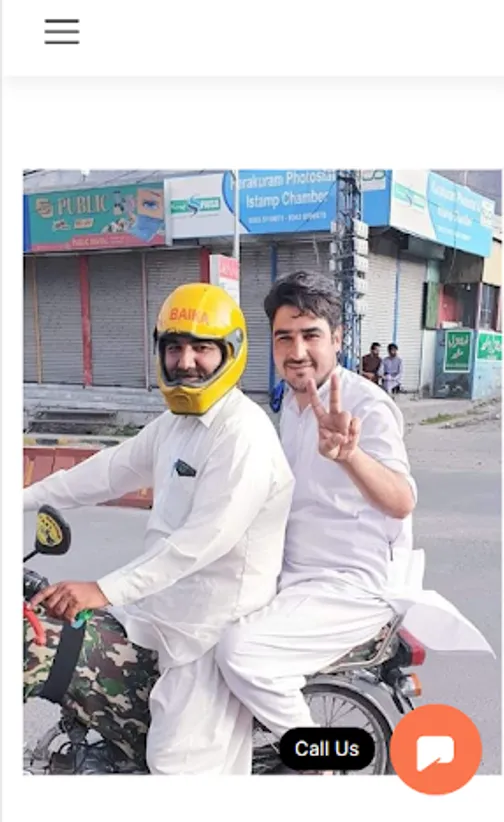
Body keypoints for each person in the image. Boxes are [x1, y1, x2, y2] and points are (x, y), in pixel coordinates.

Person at [216, 271, 494, 764]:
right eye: (284, 337)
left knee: (239, 652)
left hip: (351, 585)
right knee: (195, 623)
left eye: (311, 335)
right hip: (292, 575)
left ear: (338, 338)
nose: (297, 350)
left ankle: (319, 761)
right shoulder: (293, 405)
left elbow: (401, 499)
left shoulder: (367, 405)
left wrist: (349, 456)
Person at [25, 282, 295, 775]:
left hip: (205, 636)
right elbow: (103, 473)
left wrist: (101, 589)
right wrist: (19, 501)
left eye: (201, 348)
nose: (186, 361)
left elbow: (202, 541)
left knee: (174, 768)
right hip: (154, 615)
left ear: (230, 353)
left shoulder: (244, 434)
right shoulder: (175, 424)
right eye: (174, 347)